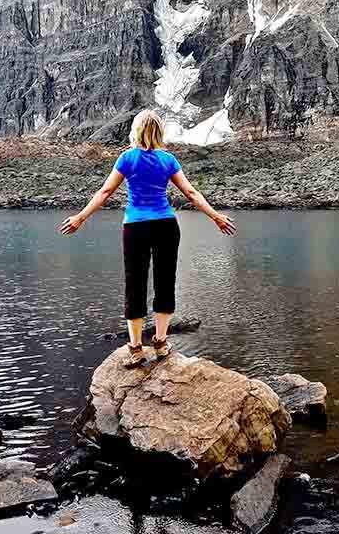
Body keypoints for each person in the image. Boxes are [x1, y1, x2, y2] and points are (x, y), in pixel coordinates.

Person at [59, 109, 236, 365]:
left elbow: (106, 190)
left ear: (137, 131)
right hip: (166, 225)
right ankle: (161, 343)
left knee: (135, 284)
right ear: (159, 132)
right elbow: (191, 193)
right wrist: (216, 217)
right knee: (165, 282)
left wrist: (80, 217)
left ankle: (135, 348)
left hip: (136, 227)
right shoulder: (168, 160)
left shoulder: (127, 158)